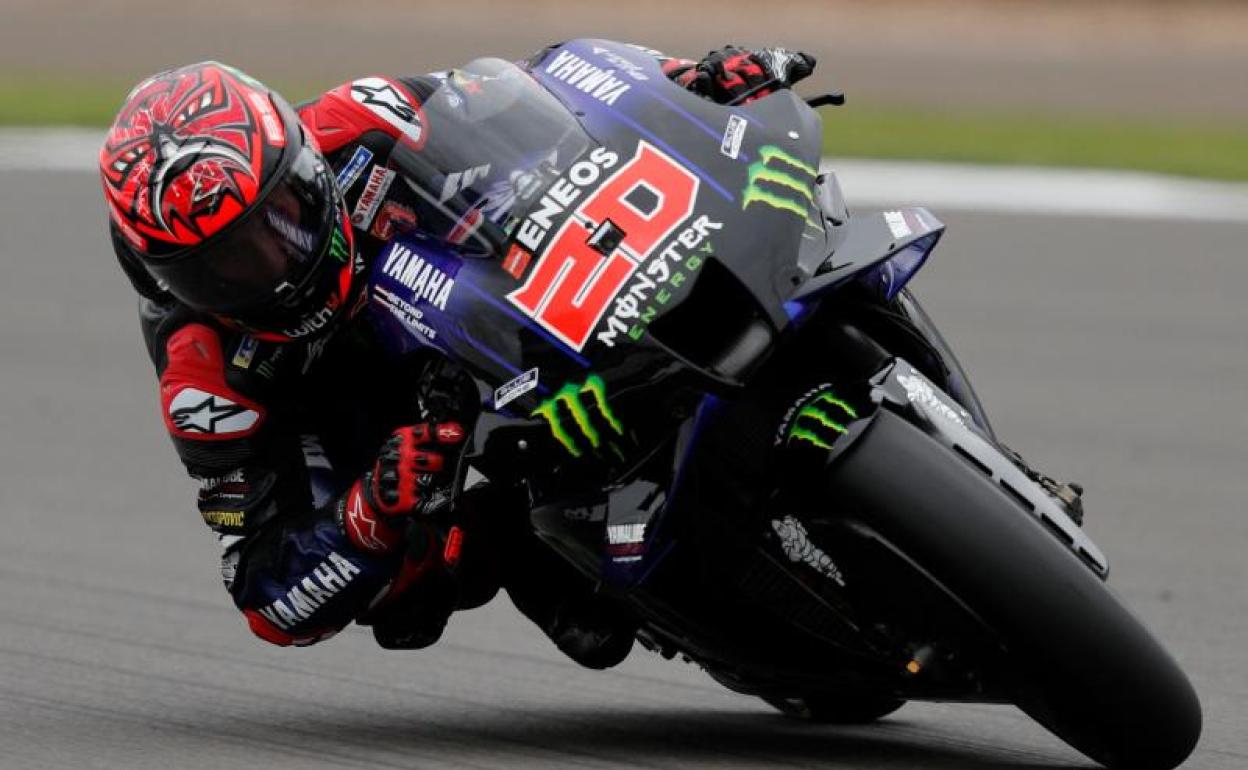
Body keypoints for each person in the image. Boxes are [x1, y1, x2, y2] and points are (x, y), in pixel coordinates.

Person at [98, 43, 816, 664]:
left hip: (501, 301)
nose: (275, 264)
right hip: (379, 420)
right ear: (165, 278)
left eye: (281, 218)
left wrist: (689, 82)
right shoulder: (204, 376)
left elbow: (554, 91)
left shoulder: (361, 116)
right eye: (224, 265)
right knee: (416, 600)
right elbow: (264, 593)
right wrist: (368, 509)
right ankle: (528, 537)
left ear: (302, 161)